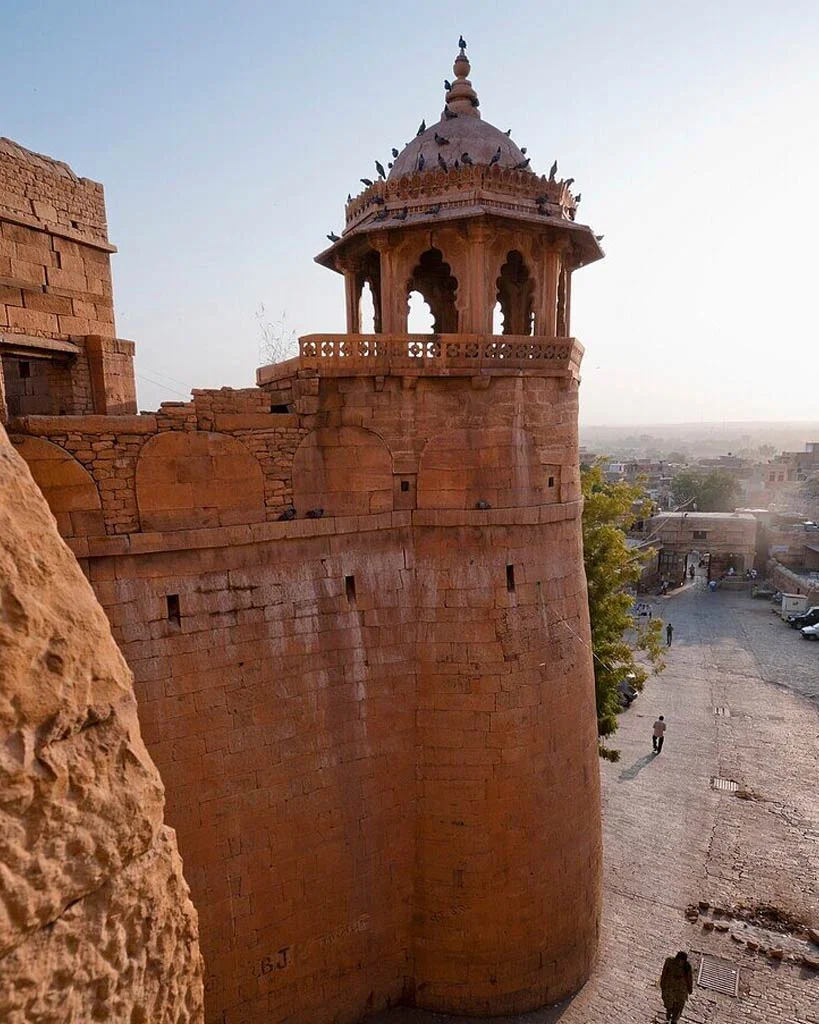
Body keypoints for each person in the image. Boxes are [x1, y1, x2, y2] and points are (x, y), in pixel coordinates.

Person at [660, 950, 693, 1022]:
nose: (679, 963)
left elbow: (689, 979)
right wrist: (690, 989)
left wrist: (690, 989)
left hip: (675, 989)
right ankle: (671, 1015)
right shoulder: (671, 963)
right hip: (675, 989)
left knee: (674, 1005)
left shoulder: (686, 967)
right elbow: (664, 972)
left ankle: (672, 1016)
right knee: (674, 1005)